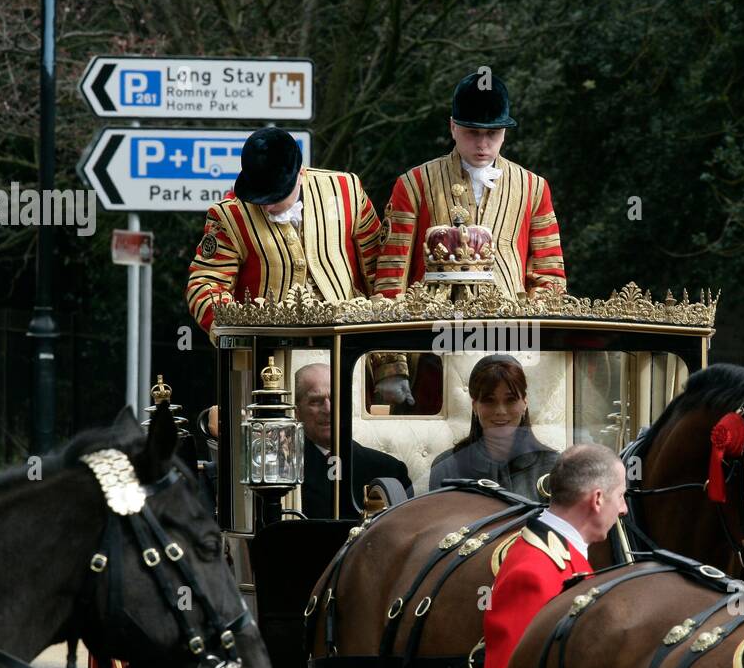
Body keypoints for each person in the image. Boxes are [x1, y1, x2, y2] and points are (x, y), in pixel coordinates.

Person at [483, 444, 628, 668]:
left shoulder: (558, 556)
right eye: (621, 496)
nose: (624, 510)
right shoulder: (533, 573)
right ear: (597, 499)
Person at [186, 127, 407, 337]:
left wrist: (385, 346)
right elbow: (205, 284)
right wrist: (238, 329)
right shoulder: (229, 216)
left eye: (277, 195)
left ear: (301, 172)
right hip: (269, 348)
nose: (267, 207)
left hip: (347, 335)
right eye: (259, 197)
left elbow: (378, 266)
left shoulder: (345, 190)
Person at [383, 72, 566, 299]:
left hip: (509, 322)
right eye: (472, 132)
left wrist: (539, 325)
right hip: (429, 323)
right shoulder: (413, 183)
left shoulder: (534, 187)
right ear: (453, 127)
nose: (482, 143)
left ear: (504, 133)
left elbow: (548, 272)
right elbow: (393, 272)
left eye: (492, 133)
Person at [429, 354, 557, 499]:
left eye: (510, 400)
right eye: (489, 400)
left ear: (525, 403)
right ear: (474, 406)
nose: (500, 411)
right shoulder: (446, 467)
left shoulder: (553, 466)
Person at [294, 363, 412, 520]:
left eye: (335, 399)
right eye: (316, 401)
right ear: (297, 413)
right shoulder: (283, 471)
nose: (328, 409)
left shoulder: (389, 470)